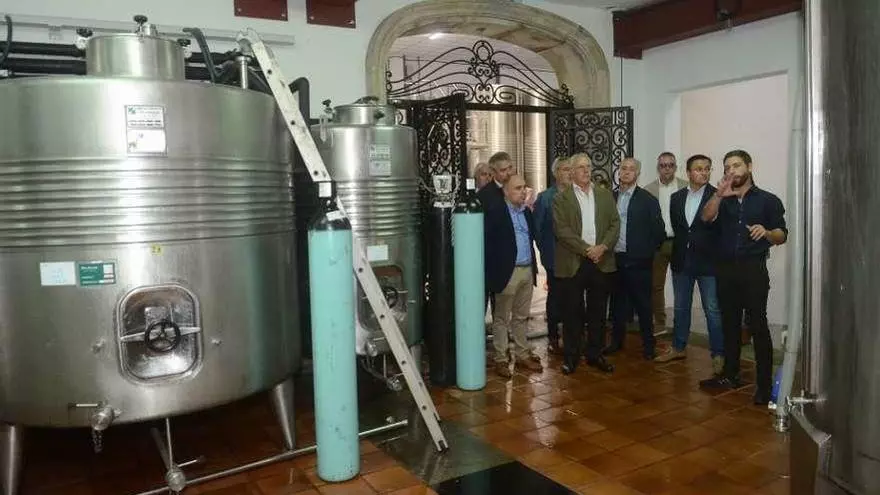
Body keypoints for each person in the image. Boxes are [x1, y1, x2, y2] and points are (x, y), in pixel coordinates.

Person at [698, 149, 787, 405]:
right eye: (727, 167)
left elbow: (782, 234)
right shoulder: (722, 200)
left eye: (736, 165)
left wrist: (767, 232)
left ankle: (764, 385)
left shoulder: (767, 200)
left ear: (749, 166)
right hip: (725, 270)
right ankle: (730, 375)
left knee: (758, 325)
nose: (731, 171)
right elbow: (705, 217)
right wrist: (718, 194)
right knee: (729, 324)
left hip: (752, 270)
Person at [655, 154, 724, 374]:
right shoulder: (676, 197)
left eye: (707, 168)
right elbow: (681, 230)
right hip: (682, 261)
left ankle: (719, 353)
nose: (704, 172)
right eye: (699, 169)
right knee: (680, 307)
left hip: (708, 262)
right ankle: (678, 347)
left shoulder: (718, 195)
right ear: (688, 172)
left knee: (712, 309)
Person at [552, 153, 619, 374]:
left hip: (600, 261)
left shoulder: (604, 195)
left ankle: (595, 354)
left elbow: (615, 223)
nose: (586, 171)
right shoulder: (561, 199)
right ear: (571, 172)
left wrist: (602, 247)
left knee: (598, 312)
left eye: (588, 166)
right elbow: (562, 231)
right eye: (581, 167)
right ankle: (571, 357)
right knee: (572, 312)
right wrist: (587, 250)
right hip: (574, 261)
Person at [606, 158, 665, 360]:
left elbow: (659, 232)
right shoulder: (610, 197)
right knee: (617, 305)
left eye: (631, 169)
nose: (626, 172)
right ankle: (616, 342)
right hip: (615, 260)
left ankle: (648, 345)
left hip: (639, 262)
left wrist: (645, 252)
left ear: (637, 174)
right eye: (623, 168)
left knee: (643, 305)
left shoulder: (647, 200)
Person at [484, 174, 542, 378]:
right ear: (505, 191)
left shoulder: (526, 212)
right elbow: (488, 246)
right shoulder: (496, 213)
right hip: (507, 272)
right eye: (518, 188)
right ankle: (501, 358)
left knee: (521, 316)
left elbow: (532, 238)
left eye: (524, 187)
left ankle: (522, 354)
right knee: (501, 318)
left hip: (526, 270)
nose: (523, 191)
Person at [644, 152, 687, 331]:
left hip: (680, 243)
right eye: (663, 165)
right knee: (656, 285)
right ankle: (660, 323)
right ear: (658, 168)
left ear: (675, 167)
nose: (667, 169)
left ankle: (680, 324)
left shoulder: (686, 187)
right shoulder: (648, 190)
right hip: (659, 243)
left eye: (670, 165)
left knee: (682, 286)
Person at [533, 157, 572, 354]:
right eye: (565, 169)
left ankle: (572, 334)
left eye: (571, 169)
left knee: (573, 296)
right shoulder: (545, 198)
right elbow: (537, 229)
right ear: (556, 173)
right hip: (554, 257)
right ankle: (553, 336)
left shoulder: (577, 194)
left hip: (575, 256)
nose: (569, 173)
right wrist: (546, 250)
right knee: (555, 297)